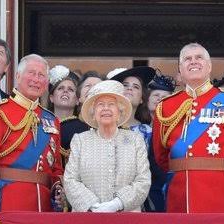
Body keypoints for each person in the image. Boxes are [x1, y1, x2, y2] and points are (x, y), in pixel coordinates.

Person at [153, 42, 224, 213]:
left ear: (209, 66)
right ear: (180, 70)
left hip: (219, 194)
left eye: (199, 58)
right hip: (178, 195)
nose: (193, 61)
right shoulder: (166, 106)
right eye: (187, 59)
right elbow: (161, 156)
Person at [0, 54, 63, 212]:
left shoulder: (52, 120)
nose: (36, 79)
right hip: (9, 201)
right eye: (31, 73)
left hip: (45, 206)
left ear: (46, 83)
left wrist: (58, 190)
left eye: (41, 75)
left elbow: (56, 167)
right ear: (17, 76)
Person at [63, 80, 151, 212]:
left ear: (120, 111)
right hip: (88, 219)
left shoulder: (135, 140)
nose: (105, 108)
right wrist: (93, 206)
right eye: (100, 105)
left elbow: (143, 181)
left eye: (111, 104)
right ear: (93, 112)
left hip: (127, 221)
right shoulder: (80, 140)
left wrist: (117, 203)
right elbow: (70, 180)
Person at [109, 66, 168, 212]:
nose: (129, 89)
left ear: (142, 98)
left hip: (141, 203)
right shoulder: (102, 128)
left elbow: (155, 174)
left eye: (136, 87)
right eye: (125, 85)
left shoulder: (149, 133)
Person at [59, 70, 103, 166]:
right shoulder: (64, 128)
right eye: (88, 86)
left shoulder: (119, 129)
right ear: (78, 99)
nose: (93, 89)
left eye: (97, 86)